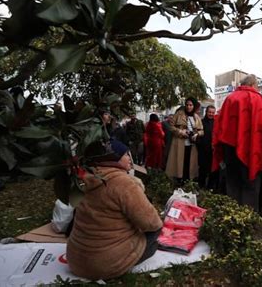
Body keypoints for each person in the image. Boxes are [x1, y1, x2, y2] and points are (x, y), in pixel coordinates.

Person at [67, 140, 163, 280]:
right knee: (155, 235)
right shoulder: (123, 183)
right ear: (112, 159)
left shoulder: (87, 178)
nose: (130, 158)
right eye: (125, 155)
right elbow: (151, 222)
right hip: (105, 265)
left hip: (76, 260)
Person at [212, 75, 262, 212]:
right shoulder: (257, 99)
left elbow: (220, 125)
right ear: (253, 84)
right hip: (251, 148)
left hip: (230, 149)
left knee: (232, 183)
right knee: (250, 185)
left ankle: (232, 216)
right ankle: (248, 219)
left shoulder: (230, 98)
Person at [165, 97, 204, 182]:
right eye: (187, 105)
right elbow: (171, 127)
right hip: (179, 143)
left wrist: (197, 134)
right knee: (179, 163)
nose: (188, 107)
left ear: (194, 106)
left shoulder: (196, 117)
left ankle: (187, 181)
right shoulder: (179, 114)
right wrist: (180, 131)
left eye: (190, 105)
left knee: (189, 163)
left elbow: (202, 131)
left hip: (192, 145)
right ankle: (179, 180)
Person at [197, 105, 216, 189]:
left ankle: (210, 188)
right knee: (202, 170)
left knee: (213, 171)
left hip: (213, 151)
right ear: (206, 112)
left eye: (213, 112)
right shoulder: (201, 122)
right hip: (203, 150)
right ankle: (201, 187)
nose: (211, 114)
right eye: (209, 112)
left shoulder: (216, 123)